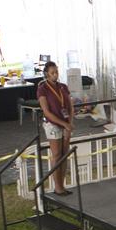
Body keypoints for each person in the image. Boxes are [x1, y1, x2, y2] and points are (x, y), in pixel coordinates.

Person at [37, 61, 74, 196]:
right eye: (52, 73)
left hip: (65, 123)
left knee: (64, 154)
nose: (55, 75)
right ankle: (57, 186)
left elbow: (70, 106)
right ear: (47, 74)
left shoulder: (63, 87)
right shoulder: (42, 89)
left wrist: (69, 123)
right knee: (57, 154)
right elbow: (46, 111)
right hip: (52, 124)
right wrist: (64, 124)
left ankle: (62, 185)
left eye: (57, 72)